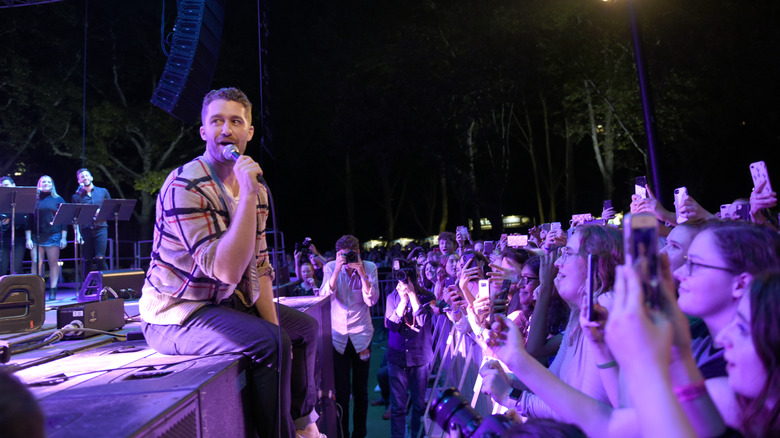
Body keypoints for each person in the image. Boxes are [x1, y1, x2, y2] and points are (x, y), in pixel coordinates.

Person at [139, 87, 322, 438]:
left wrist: (275, 327)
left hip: (222, 304)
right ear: (204, 131)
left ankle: (305, 427)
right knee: (271, 343)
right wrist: (248, 195)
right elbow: (225, 269)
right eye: (217, 121)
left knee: (302, 331)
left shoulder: (253, 188)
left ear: (248, 133)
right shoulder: (185, 185)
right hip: (176, 313)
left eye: (235, 121)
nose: (226, 130)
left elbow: (261, 266)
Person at [319, 234, 380, 438]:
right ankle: (343, 433)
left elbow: (371, 300)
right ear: (337, 256)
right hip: (338, 339)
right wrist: (336, 269)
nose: (347, 260)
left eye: (350, 255)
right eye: (343, 256)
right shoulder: (330, 268)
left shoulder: (369, 267)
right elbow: (324, 297)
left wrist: (362, 274)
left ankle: (359, 434)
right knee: (342, 393)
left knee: (361, 392)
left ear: (358, 253)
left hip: (362, 335)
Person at [385, 258, 435, 438]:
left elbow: (422, 321)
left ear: (413, 275)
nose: (402, 279)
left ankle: (416, 435)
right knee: (398, 407)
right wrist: (402, 301)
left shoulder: (427, 296)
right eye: (398, 275)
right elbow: (391, 325)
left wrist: (413, 295)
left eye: (405, 274)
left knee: (419, 405)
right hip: (397, 358)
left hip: (420, 358)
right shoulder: (392, 297)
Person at [25, 175, 67, 300]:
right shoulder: (34, 199)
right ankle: (36, 289)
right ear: (39, 184)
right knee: (36, 262)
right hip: (36, 235)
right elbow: (29, 221)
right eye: (44, 181)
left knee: (53, 262)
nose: (46, 183)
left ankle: (53, 289)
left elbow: (64, 220)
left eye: (49, 181)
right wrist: (28, 238)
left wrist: (63, 238)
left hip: (53, 234)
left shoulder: (58, 199)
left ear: (52, 184)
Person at [72, 168, 111, 277]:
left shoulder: (103, 191)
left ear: (91, 177)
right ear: (79, 181)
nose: (85, 178)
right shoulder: (76, 196)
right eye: (82, 177)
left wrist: (101, 212)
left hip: (101, 227)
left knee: (100, 257)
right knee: (87, 260)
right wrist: (77, 234)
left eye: (86, 175)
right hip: (85, 230)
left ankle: (107, 285)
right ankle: (87, 289)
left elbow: (111, 208)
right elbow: (75, 217)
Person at [0, 176, 28, 275]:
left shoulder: (22, 200)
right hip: (4, 237)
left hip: (19, 236)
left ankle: (21, 288)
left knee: (17, 265)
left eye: (7, 185)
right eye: (2, 186)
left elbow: (27, 220)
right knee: (2, 266)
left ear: (13, 185)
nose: (5, 188)